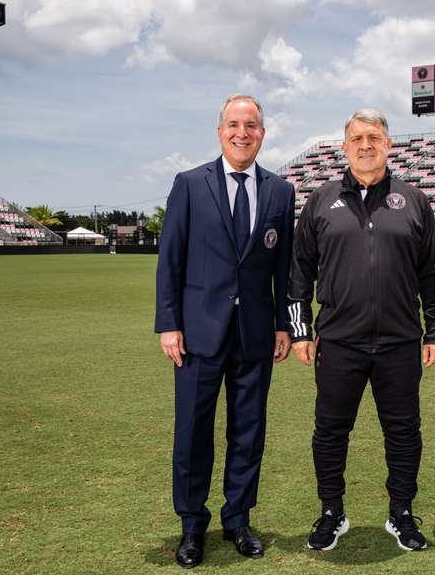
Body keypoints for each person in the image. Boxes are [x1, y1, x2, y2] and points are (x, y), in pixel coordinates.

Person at [288, 108, 435, 553]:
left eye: (374, 137)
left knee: (403, 431)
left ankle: (401, 512)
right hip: (338, 342)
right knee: (330, 431)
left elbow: (432, 274)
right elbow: (299, 271)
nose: (365, 145)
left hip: (399, 343)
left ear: (388, 144)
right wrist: (300, 330)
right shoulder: (320, 201)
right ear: (344, 147)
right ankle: (331, 512)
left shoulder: (413, 200)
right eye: (357, 138)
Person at [154, 94, 294, 568]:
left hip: (254, 334)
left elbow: (282, 268)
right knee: (192, 432)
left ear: (262, 133)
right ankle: (192, 527)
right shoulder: (190, 184)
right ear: (219, 132)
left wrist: (282, 326)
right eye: (233, 124)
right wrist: (169, 323)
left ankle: (238, 521)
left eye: (251, 125)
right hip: (197, 335)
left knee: (248, 432)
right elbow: (170, 259)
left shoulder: (281, 192)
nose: (242, 132)